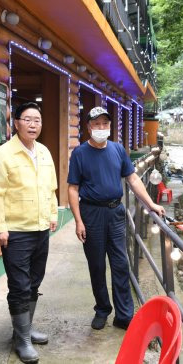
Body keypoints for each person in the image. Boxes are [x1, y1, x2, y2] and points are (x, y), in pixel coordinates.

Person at [67, 106, 165, 331]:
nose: (101, 128)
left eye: (105, 124)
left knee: (121, 263)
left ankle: (124, 315)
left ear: (110, 127)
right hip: (91, 213)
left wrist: (150, 204)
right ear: (89, 126)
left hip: (115, 212)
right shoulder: (80, 153)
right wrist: (79, 220)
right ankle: (102, 309)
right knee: (97, 265)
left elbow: (132, 178)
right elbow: (73, 188)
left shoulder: (118, 150)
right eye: (96, 124)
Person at [0, 102, 58, 364]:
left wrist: (52, 214)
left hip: (40, 229)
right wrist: (0, 227)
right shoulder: (2, 154)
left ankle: (24, 330)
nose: (33, 124)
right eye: (27, 119)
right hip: (15, 232)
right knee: (19, 285)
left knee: (35, 281)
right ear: (16, 123)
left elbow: (50, 189)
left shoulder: (45, 152)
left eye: (37, 120)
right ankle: (22, 340)